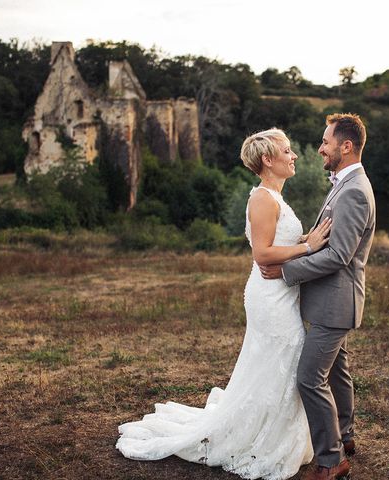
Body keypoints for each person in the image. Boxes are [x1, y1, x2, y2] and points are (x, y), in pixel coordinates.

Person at [116, 128, 332, 480]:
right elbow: (262, 253)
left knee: (276, 362)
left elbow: (281, 242)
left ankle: (274, 433)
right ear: (268, 159)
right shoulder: (262, 198)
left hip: (280, 291)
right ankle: (261, 438)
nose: (294, 156)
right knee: (285, 357)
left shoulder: (275, 197)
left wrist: (307, 239)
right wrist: (308, 248)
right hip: (270, 297)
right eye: (288, 151)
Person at [260, 113, 375, 480]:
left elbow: (339, 256)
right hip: (331, 302)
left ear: (346, 146)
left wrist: (286, 271)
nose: (320, 148)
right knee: (337, 372)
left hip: (336, 303)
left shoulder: (354, 190)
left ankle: (331, 459)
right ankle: (346, 437)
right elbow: (323, 239)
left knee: (310, 378)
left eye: (325, 142)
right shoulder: (344, 182)